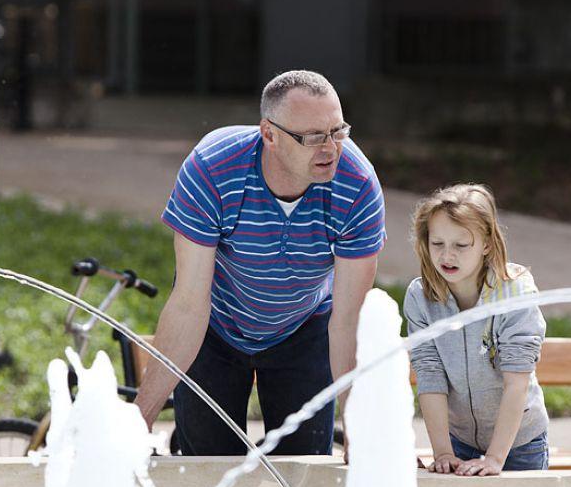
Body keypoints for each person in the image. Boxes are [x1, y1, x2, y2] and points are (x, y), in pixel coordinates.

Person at [133, 70, 384, 456]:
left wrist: (358, 426)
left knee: (302, 473)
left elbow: (349, 321)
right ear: (269, 134)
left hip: (306, 326)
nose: (331, 149)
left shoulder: (357, 185)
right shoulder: (213, 168)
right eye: (313, 137)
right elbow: (188, 304)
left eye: (338, 131)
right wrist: (139, 420)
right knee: (208, 470)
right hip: (214, 327)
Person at [403, 184, 549, 476]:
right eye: (437, 243)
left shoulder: (515, 292)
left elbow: (516, 382)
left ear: (486, 244)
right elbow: (430, 377)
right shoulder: (421, 298)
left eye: (461, 245)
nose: (447, 256)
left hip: (519, 442)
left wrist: (494, 459)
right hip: (460, 441)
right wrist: (443, 451)